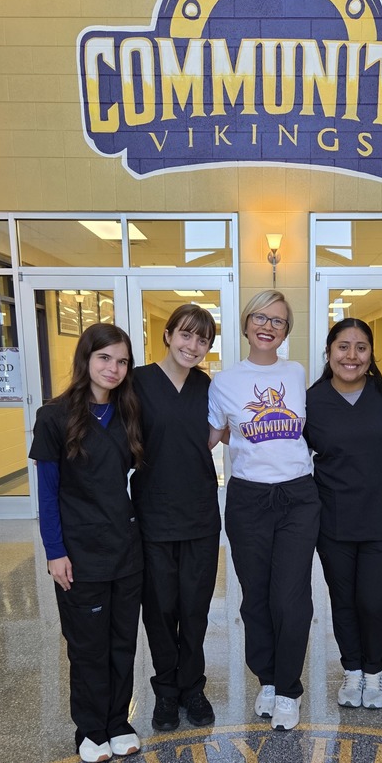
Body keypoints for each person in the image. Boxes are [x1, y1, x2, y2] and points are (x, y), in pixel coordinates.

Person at [29, 323, 144, 763]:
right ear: (86, 359)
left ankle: (118, 722)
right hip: (79, 552)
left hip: (125, 548)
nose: (113, 368)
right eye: (105, 358)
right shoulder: (54, 417)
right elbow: (47, 492)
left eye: (122, 361)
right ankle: (91, 729)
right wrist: (54, 551)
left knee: (122, 643)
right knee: (87, 646)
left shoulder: (127, 412)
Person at [208, 290, 320, 732]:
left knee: (290, 597)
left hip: (297, 497)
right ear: (245, 323)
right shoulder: (223, 381)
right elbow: (212, 436)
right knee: (255, 597)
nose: (268, 326)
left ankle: (289, 688)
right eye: (260, 317)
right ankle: (268, 680)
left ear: (286, 330)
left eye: (277, 320)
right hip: (248, 499)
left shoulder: (296, 372)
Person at [131, 304, 220, 732]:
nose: (193, 345)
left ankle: (192, 687)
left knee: (195, 608)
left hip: (200, 513)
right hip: (154, 513)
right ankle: (166, 691)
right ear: (167, 335)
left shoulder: (207, 386)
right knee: (161, 608)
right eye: (186, 334)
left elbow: (212, 435)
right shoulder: (138, 382)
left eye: (203, 339)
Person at [305, 319, 382, 710]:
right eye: (343, 346)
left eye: (361, 347)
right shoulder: (311, 401)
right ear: (329, 352)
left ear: (371, 354)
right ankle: (353, 670)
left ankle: (375, 673)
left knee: (374, 602)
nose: (352, 356)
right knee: (343, 599)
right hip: (333, 518)